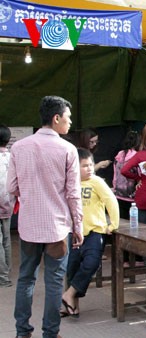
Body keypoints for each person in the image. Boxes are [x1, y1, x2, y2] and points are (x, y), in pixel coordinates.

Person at [8, 96, 83, 338]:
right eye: (68, 118)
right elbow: (73, 194)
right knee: (53, 281)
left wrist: (30, 195)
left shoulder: (19, 147)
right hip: (57, 229)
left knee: (26, 279)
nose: (70, 123)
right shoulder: (67, 150)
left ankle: (22, 332)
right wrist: (79, 226)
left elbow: (11, 187)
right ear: (56, 118)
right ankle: (50, 333)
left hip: (29, 226)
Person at [61, 148, 119, 318]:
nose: (89, 168)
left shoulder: (97, 182)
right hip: (74, 233)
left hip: (95, 232)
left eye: (91, 165)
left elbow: (111, 201)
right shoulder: (69, 183)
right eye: (84, 166)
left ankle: (69, 294)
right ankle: (72, 305)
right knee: (72, 268)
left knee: (91, 263)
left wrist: (113, 224)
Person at [112, 130, 140, 220]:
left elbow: (115, 175)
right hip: (131, 196)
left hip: (118, 194)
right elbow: (140, 175)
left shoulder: (119, 155)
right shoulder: (137, 156)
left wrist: (115, 188)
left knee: (121, 222)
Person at [0, 124, 14, 288]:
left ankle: (3, 277)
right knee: (6, 239)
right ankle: (6, 271)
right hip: (8, 203)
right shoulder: (11, 158)